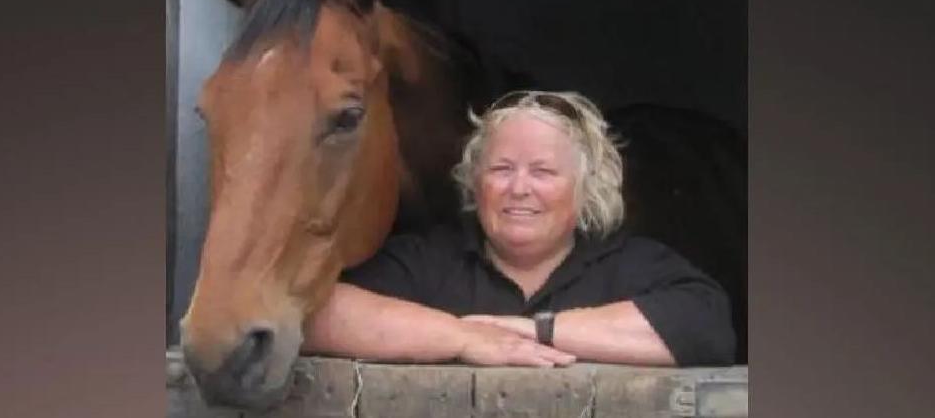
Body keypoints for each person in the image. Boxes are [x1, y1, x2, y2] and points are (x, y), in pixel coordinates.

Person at [302, 90, 736, 367]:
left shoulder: (630, 264)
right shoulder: (426, 261)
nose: (519, 189)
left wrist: (535, 330)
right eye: (501, 169)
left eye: (544, 171)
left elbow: (706, 328)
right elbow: (313, 311)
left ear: (586, 190)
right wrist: (462, 337)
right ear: (476, 183)